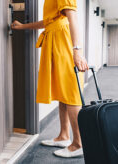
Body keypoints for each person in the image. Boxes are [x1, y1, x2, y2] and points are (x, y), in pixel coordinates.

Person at [11, 0, 89, 158]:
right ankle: (64, 136)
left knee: (71, 91)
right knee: (63, 91)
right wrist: (21, 26)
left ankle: (78, 144)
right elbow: (47, 22)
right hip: (56, 40)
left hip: (64, 42)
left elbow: (72, 17)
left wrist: (77, 51)